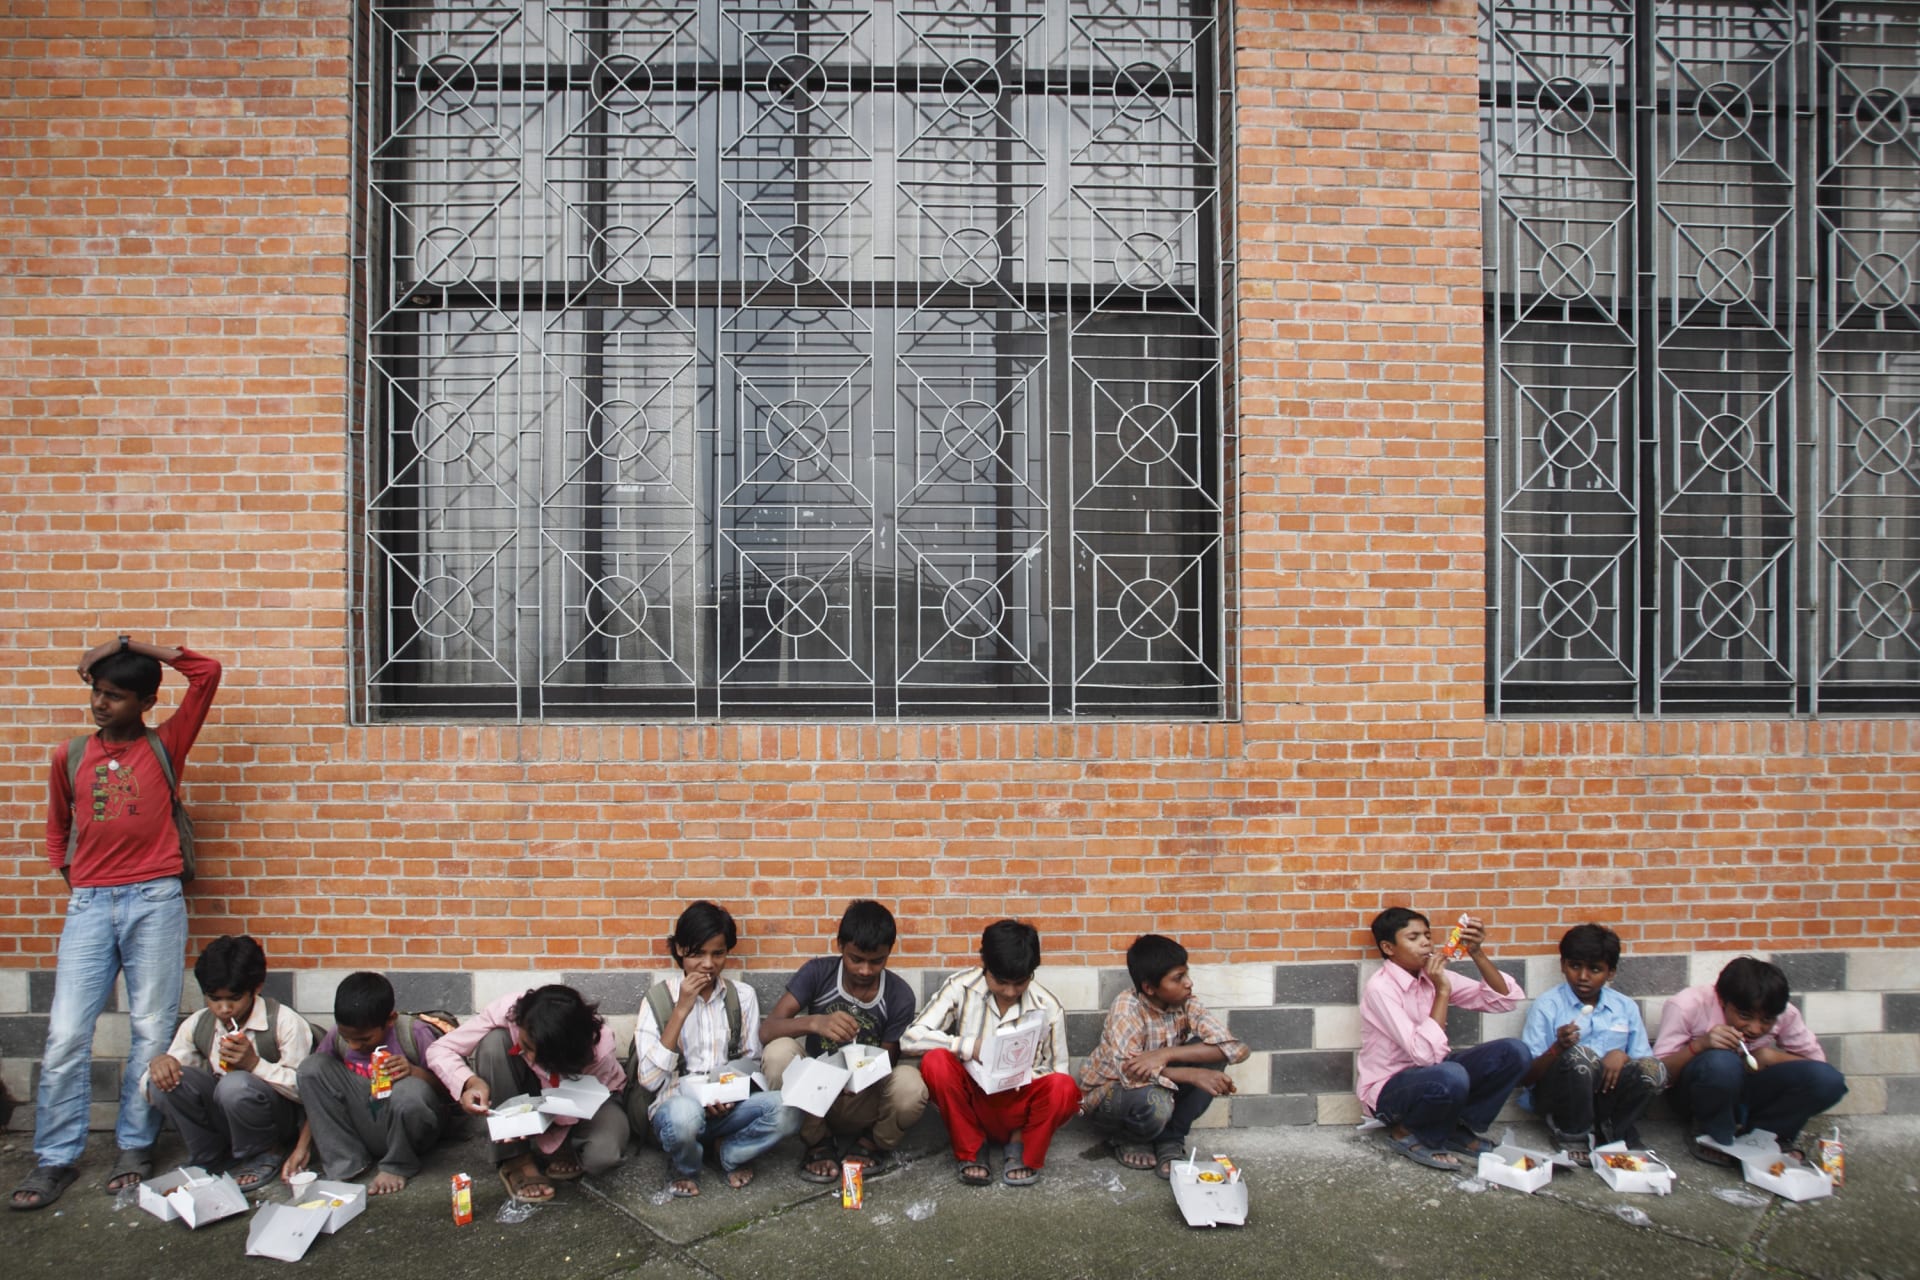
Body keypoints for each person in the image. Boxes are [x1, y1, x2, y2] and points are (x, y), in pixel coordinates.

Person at [11, 636, 221, 1211]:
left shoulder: (165, 745)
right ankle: (55, 1157)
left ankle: (134, 1147)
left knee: (150, 1031)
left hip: (155, 898)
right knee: (64, 1035)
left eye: (115, 696)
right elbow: (58, 827)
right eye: (97, 693)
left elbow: (207, 672)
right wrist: (74, 878)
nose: (101, 704)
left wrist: (127, 643)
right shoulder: (71, 755)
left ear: (145, 702)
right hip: (90, 904)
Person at [630, 902, 800, 1197]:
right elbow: (650, 1081)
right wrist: (681, 1009)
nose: (708, 964)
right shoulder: (657, 999)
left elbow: (751, 1061)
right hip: (677, 1108)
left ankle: (730, 1153)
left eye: (717, 953)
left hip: (727, 1108)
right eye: (698, 953)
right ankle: (686, 1167)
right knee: (685, 1115)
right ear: (681, 950)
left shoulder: (741, 996)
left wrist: (729, 1092)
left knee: (791, 1108)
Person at [901, 919, 1079, 1188]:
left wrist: (1021, 1075)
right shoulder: (961, 986)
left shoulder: (1047, 1005)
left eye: (1020, 983)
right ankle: (972, 1147)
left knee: (1065, 1089)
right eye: (1000, 981)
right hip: (974, 1102)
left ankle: (1021, 1143)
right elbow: (910, 1039)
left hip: (1019, 1104)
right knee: (936, 1061)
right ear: (984, 963)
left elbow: (1059, 1072)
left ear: (1032, 973)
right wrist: (970, 1047)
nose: (1009, 992)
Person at [760, 900, 928, 1184]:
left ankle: (872, 1143)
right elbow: (767, 1030)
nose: (865, 970)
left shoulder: (899, 994)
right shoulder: (817, 973)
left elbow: (888, 1060)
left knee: (911, 1084)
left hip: (864, 1099)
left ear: (889, 953)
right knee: (778, 1053)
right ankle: (818, 1141)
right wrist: (814, 1023)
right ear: (840, 946)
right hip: (815, 1098)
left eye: (877, 961)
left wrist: (860, 1078)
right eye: (856, 959)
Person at [1359, 907, 1529, 1172]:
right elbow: (1424, 1055)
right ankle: (1407, 1132)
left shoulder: (1433, 974)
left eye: (1427, 935)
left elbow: (1504, 1001)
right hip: (1390, 1091)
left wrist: (1477, 953)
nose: (1426, 942)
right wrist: (1442, 991)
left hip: (1434, 1074)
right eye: (1413, 937)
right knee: (1450, 1074)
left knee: (1513, 1052)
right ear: (1388, 948)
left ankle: (1454, 1128)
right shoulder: (1381, 988)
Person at [427, 984, 629, 1202]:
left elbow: (572, 1107)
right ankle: (515, 1160)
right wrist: (470, 1083)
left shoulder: (598, 1049)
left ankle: (568, 1146)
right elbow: (440, 1050)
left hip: (591, 1102)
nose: (530, 1058)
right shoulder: (509, 1010)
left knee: (602, 1157)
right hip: (534, 1090)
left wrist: (530, 1122)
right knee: (494, 1043)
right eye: (525, 1045)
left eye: (541, 1055)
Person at [145, 935, 312, 1193]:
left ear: (256, 988)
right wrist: (159, 1065)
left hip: (277, 1120)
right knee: (165, 1082)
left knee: (235, 1085)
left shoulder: (284, 1022)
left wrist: (254, 1064)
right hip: (225, 1119)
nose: (224, 1008)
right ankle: (210, 1155)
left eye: (233, 998)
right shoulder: (199, 1024)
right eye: (213, 998)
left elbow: (307, 1092)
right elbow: (154, 1090)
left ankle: (264, 1152)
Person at [1079, 934, 1249, 1178]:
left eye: (1186, 974)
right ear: (1150, 988)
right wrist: (1192, 1074)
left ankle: (1170, 1140)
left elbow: (1237, 1048)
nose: (1189, 983)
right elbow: (1130, 1075)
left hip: (1157, 1085)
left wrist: (1165, 1054)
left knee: (1213, 1053)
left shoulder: (1186, 1002)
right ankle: (1130, 1138)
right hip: (1110, 1096)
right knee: (1153, 1099)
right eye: (1178, 978)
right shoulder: (1127, 1009)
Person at [1655, 955, 1849, 1164]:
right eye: (1745, 1016)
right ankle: (1712, 1134)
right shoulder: (1687, 1005)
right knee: (1722, 1062)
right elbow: (1657, 1076)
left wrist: (1771, 1057)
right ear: (1721, 1000)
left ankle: (1768, 1135)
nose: (1756, 1029)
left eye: (1767, 1020)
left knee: (1828, 1080)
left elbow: (1816, 1065)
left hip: (1750, 1093)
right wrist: (1699, 1046)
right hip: (1698, 1094)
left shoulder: (1784, 1012)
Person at [285, 972, 452, 1195]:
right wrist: (301, 1147)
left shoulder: (414, 1033)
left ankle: (397, 1164)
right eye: (348, 1038)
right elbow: (317, 1091)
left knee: (410, 1090)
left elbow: (449, 1092)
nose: (354, 1046)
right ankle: (347, 1162)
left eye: (364, 1039)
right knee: (311, 1068)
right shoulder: (337, 1036)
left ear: (390, 1019)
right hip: (366, 1121)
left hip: (410, 1128)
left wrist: (413, 1071)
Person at [1518, 923, 1665, 1162]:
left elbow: (1643, 1060)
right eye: (1575, 966)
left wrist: (1622, 1055)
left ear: (1611, 973)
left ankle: (1615, 1130)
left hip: (1607, 1094)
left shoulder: (1624, 1007)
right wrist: (1558, 1048)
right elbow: (1528, 1076)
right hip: (1559, 1094)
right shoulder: (1547, 1005)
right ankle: (1571, 1133)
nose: (1583, 977)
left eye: (1594, 969)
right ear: (1563, 965)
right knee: (1581, 1057)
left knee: (1654, 1070)